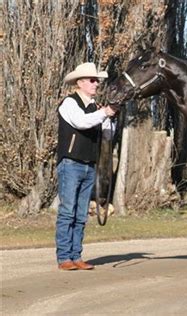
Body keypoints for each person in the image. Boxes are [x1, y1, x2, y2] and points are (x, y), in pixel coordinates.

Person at [56, 62, 118, 271]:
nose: (96, 84)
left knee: (81, 213)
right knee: (67, 211)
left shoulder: (96, 108)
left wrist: (109, 116)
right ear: (80, 82)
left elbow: (108, 135)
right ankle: (64, 257)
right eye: (92, 80)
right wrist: (103, 113)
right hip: (71, 163)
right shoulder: (69, 103)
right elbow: (81, 122)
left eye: (97, 80)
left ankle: (76, 255)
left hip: (89, 165)